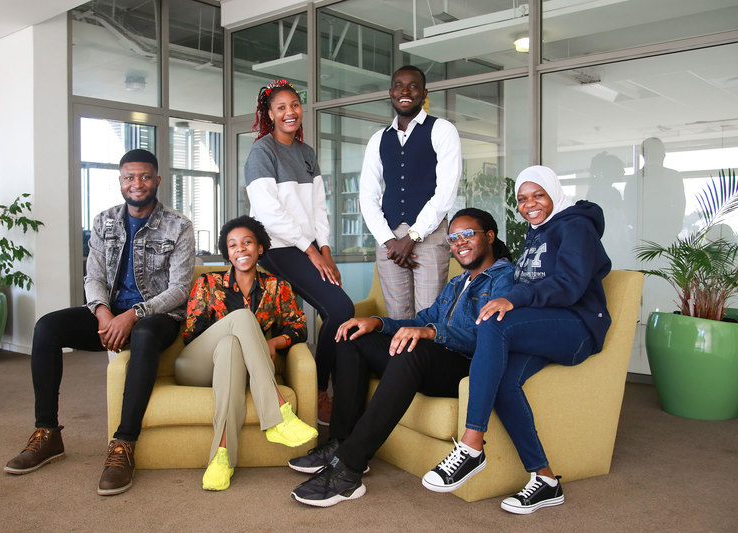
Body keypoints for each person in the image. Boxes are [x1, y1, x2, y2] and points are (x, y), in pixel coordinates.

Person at [289, 208, 514, 507]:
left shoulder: (505, 279)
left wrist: (431, 333)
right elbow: (423, 319)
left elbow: (487, 337)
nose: (460, 242)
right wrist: (377, 323)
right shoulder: (458, 283)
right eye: (454, 237)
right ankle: (341, 440)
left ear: (489, 236)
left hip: (464, 367)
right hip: (432, 357)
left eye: (468, 234)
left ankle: (348, 469)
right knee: (352, 337)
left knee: (414, 348)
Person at [421, 165, 611, 515]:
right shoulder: (538, 231)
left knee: (495, 322)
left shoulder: (576, 226)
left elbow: (570, 284)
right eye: (523, 199)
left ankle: (471, 444)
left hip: (577, 328)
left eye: (538, 195)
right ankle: (545, 480)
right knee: (505, 382)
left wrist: (515, 300)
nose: (529, 204)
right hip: (547, 327)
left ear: (554, 193)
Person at [4, 149, 195, 496]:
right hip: (110, 314)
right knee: (47, 327)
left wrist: (133, 315)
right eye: (129, 177)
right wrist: (102, 311)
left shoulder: (178, 225)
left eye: (144, 177)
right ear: (120, 181)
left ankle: (123, 444)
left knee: (146, 334)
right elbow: (92, 276)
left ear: (157, 180)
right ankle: (47, 433)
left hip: (157, 317)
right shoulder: (104, 221)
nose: (137, 184)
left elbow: (180, 289)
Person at [174, 215, 318, 491]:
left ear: (260, 248)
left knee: (231, 347)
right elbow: (191, 332)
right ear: (227, 252)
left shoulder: (277, 287)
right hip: (195, 365)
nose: (240, 249)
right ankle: (278, 413)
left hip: (233, 368)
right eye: (233, 245)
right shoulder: (207, 282)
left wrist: (274, 343)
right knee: (238, 323)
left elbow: (299, 327)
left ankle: (222, 457)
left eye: (247, 242)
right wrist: (238, 330)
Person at [244, 78, 354, 425]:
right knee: (340, 306)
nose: (290, 112)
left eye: (294, 105)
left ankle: (319, 387)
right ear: (270, 114)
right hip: (278, 247)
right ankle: (320, 390)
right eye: (282, 108)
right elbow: (269, 214)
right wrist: (310, 250)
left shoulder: (307, 154)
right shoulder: (262, 152)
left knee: (334, 311)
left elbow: (319, 208)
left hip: (308, 247)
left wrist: (325, 248)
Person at [359, 65, 462, 320]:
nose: (405, 91)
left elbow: (446, 191)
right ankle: (400, 361)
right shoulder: (378, 139)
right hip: (389, 236)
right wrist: (389, 240)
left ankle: (428, 362)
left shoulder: (442, 130)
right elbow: (367, 195)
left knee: (429, 315)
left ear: (424, 93)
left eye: (413, 86)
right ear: (390, 92)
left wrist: (413, 236)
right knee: (397, 317)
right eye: (398, 86)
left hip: (429, 231)